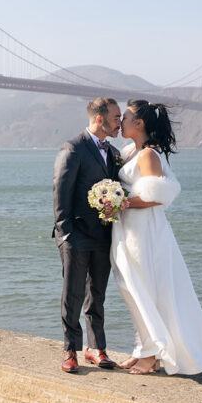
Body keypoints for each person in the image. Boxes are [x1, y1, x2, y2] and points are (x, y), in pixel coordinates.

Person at [112, 99, 202, 375]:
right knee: (134, 290)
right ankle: (143, 350)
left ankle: (151, 356)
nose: (120, 122)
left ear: (139, 124)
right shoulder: (130, 151)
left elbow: (155, 198)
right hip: (130, 228)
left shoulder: (148, 155)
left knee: (143, 289)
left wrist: (119, 202)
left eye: (125, 117)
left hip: (144, 231)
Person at [52, 96, 122, 373]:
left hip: (104, 235)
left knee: (97, 294)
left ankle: (96, 347)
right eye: (116, 118)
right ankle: (71, 350)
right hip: (76, 235)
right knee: (73, 295)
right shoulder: (73, 148)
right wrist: (65, 234)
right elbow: (60, 193)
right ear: (100, 119)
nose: (120, 123)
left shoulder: (114, 153)